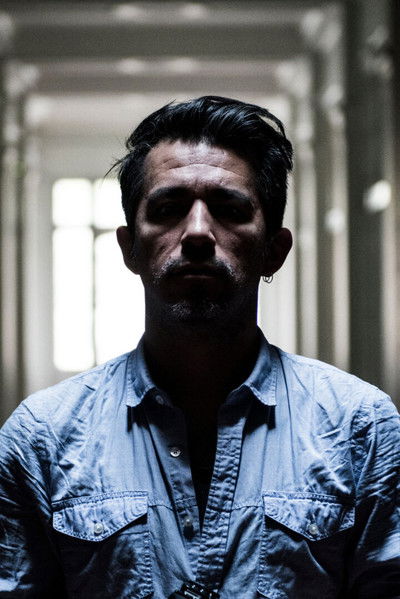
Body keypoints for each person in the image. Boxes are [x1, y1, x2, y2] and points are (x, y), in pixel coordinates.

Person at [0, 96, 399, 599]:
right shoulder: (42, 439)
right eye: (168, 209)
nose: (196, 233)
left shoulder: (360, 427)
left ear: (274, 250)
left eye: (229, 210)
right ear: (129, 247)